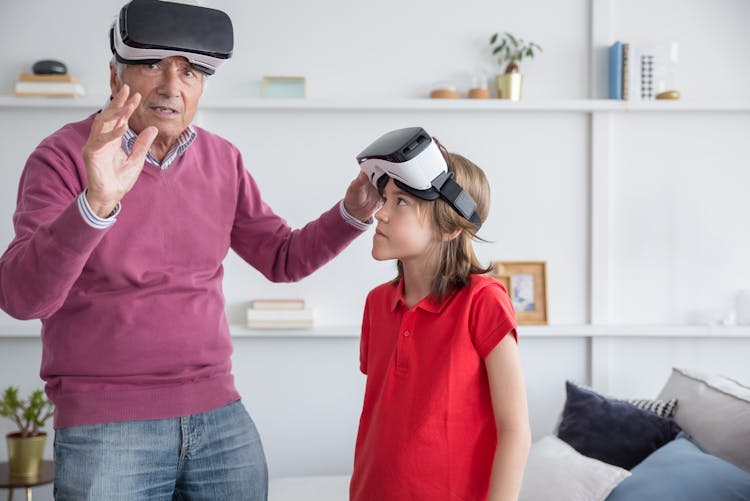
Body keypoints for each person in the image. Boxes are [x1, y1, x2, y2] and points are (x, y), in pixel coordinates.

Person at [0, 1, 380, 500]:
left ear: (202, 85)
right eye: (153, 64)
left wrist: (351, 212)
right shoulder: (63, 157)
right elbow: (23, 299)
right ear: (114, 75)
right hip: (108, 429)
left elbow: (281, 258)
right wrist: (95, 204)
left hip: (220, 418)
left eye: (190, 71)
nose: (171, 86)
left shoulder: (222, 159)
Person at [350, 128, 531, 500]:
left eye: (400, 202)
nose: (379, 213)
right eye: (384, 198)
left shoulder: (483, 302)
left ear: (450, 226)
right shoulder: (376, 304)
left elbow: (515, 431)